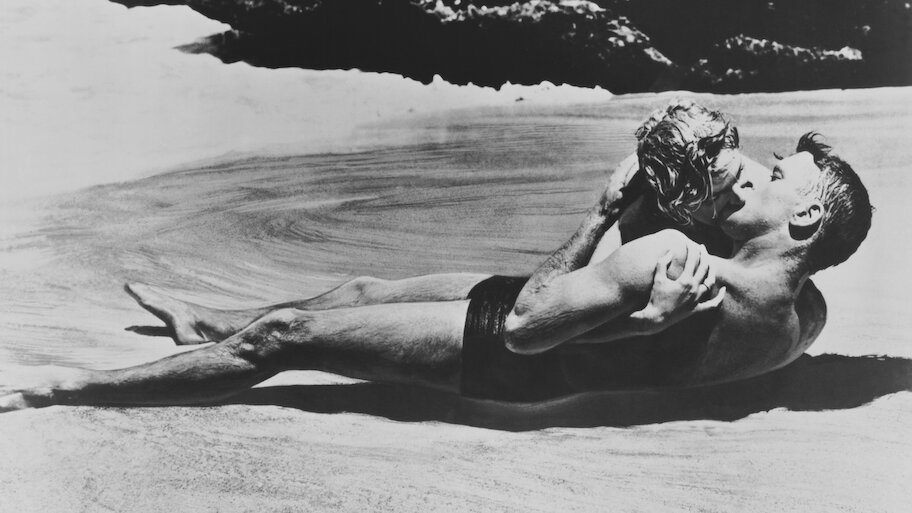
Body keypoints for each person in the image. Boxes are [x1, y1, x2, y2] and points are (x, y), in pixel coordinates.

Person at [0, 110, 872, 409]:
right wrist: (639, 328)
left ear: (804, 215)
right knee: (363, 288)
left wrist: (609, 209)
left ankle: (64, 388)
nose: (750, 170)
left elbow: (530, 324)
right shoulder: (803, 318)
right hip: (577, 327)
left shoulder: (676, 259)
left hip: (514, 348)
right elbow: (665, 352)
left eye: (773, 175)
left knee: (286, 336)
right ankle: (207, 324)